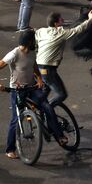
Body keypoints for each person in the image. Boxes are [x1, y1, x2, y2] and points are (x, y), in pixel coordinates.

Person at [1, 29, 66, 159]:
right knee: (16, 119)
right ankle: (10, 149)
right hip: (17, 90)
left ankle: (59, 135)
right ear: (29, 41)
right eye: (33, 41)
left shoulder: (32, 53)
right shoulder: (15, 54)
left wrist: (40, 78)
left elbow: (34, 66)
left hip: (32, 87)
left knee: (47, 107)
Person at [36, 11, 92, 108]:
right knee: (61, 94)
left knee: (46, 90)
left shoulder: (41, 31)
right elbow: (77, 30)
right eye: (61, 19)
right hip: (48, 69)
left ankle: (36, 108)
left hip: (39, 67)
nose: (63, 20)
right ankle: (47, 110)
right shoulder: (60, 33)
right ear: (56, 23)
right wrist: (90, 19)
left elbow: (35, 39)